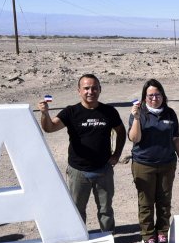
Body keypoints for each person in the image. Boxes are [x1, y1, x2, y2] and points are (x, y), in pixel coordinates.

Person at [38, 74, 126, 232]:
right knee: (77, 210)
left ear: (100, 89)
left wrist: (117, 155)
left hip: (103, 170)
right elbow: (49, 128)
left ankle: (107, 237)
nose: (90, 91)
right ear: (79, 91)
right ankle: (79, 238)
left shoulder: (109, 111)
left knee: (106, 210)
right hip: (78, 171)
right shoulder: (71, 112)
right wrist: (45, 114)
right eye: (86, 88)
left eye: (94, 88)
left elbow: (121, 131)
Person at [126, 79, 179, 243]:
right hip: (144, 164)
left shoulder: (170, 113)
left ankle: (162, 232)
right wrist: (136, 118)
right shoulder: (139, 113)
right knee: (146, 201)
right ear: (144, 97)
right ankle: (148, 234)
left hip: (167, 164)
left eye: (157, 95)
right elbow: (134, 138)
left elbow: (176, 138)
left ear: (163, 95)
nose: (154, 98)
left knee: (164, 200)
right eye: (150, 95)